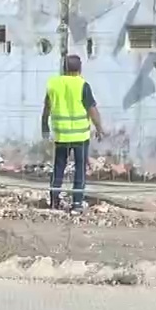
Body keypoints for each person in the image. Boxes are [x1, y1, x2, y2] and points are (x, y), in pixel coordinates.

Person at [41, 55, 106, 211]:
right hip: (80, 136)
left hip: (61, 135)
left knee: (58, 168)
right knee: (80, 169)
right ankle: (77, 203)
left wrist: (44, 127)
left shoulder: (53, 84)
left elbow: (46, 109)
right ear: (80, 68)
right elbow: (92, 109)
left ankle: (54, 202)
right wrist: (99, 128)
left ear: (64, 68)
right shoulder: (83, 85)